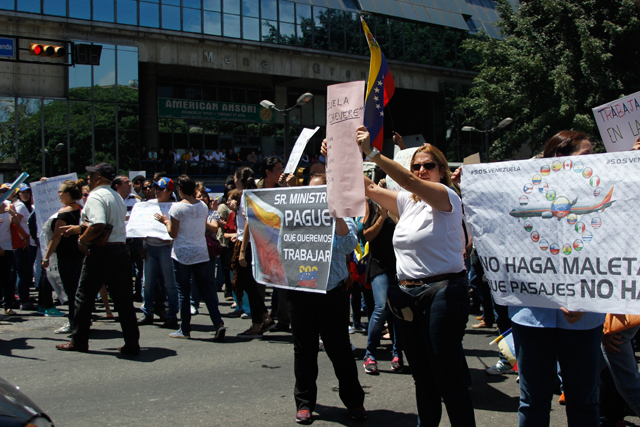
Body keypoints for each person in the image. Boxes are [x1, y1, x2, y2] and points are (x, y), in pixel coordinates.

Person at [346, 126, 475, 426]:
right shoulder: (407, 202)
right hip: (408, 296)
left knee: (448, 377)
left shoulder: (446, 197)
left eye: (428, 165)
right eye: (416, 166)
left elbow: (404, 180)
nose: (420, 170)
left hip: (443, 292)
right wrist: (341, 157)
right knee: (423, 378)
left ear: (442, 171)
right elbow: (367, 188)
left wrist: (374, 153)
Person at [509, 131, 603, 427]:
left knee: (584, 401)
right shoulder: (523, 191)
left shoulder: (603, 194)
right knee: (533, 400)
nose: (595, 161)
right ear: (561, 159)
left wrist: (584, 299)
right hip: (533, 314)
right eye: (586, 155)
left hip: (585, 316)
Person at [287, 173, 366, 424]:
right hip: (301, 293)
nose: (318, 193)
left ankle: (354, 401)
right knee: (304, 351)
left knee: (340, 350)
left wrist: (336, 214)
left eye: (324, 189)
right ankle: (304, 403)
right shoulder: (296, 217)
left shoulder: (342, 216)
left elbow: (348, 246)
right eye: (314, 189)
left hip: (332, 292)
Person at [56, 162, 140, 355]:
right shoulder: (116, 196)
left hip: (102, 252)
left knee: (83, 298)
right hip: (120, 249)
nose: (89, 178)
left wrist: (82, 240)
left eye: (92, 175)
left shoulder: (95, 196)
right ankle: (132, 342)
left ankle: (79, 340)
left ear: (100, 178)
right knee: (123, 300)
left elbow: (98, 224)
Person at [155, 175, 226, 341]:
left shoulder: (177, 208)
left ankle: (185, 328)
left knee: (183, 293)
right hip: (200, 252)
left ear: (179, 190)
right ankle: (218, 323)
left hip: (182, 254)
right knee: (207, 291)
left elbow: (173, 233)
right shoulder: (202, 206)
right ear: (194, 190)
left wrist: (165, 222)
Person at [232, 166, 276, 338]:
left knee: (250, 286)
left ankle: (259, 323)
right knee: (251, 285)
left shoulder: (247, 196)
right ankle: (264, 317)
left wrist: (242, 250)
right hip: (254, 243)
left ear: (238, 179)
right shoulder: (253, 195)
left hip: (248, 243)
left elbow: (249, 223)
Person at [41, 180, 85, 331]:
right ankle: (81, 319)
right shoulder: (81, 209)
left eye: (60, 192)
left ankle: (73, 322)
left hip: (66, 256)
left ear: (67, 194)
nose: (58, 195)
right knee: (79, 290)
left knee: (71, 291)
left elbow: (56, 236)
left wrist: (46, 256)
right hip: (80, 254)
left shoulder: (64, 213)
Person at [138, 177, 180, 329]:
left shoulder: (174, 207)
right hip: (150, 246)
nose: (156, 191)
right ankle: (147, 313)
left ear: (169, 192)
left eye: (160, 189)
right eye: (156, 188)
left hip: (166, 247)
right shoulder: (147, 205)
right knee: (147, 283)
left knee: (170, 283)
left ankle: (172, 314)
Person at [13, 183, 38, 311]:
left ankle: (25, 296)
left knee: (26, 272)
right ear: (18, 194)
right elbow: (15, 224)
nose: (26, 194)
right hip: (23, 243)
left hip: (29, 242)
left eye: (28, 192)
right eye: (23, 192)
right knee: (22, 273)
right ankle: (23, 300)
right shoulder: (20, 206)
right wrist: (24, 238)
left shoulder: (26, 206)